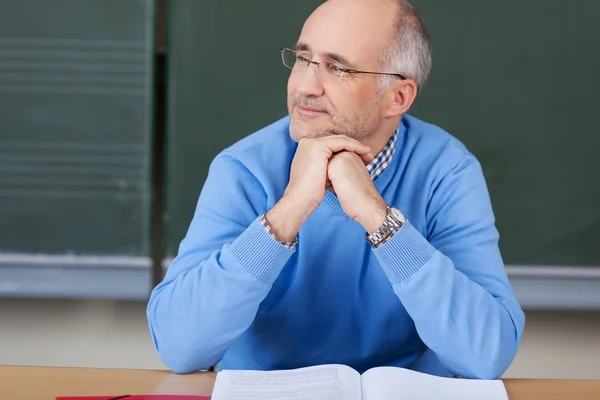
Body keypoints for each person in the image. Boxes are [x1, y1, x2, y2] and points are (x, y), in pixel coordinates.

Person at [147, 0, 525, 379]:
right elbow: (180, 346)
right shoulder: (244, 168)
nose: (305, 86)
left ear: (398, 97)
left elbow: (486, 353)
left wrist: (377, 217)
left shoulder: (448, 172)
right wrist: (289, 210)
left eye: (337, 67)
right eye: (303, 58)